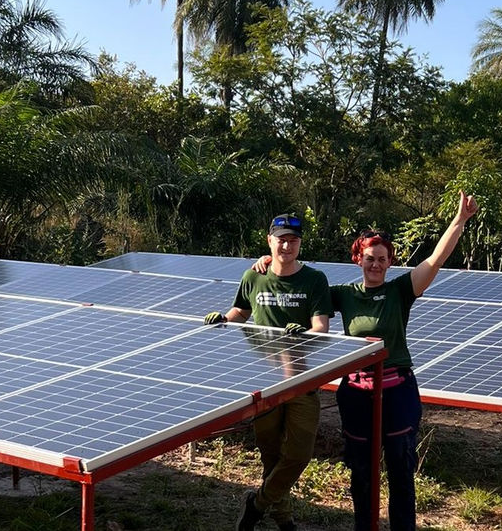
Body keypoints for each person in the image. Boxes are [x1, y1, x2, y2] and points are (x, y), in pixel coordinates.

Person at [253, 192, 479, 531]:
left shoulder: (400, 291)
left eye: (382, 260)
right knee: (361, 470)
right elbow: (297, 294)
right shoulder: (344, 293)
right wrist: (270, 261)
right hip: (356, 392)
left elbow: (435, 259)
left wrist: (459, 221)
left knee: (401, 468)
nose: (376, 265)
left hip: (397, 390)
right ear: (359, 259)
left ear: (390, 263)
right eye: (370, 258)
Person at [204, 213, 331, 531]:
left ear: (300, 243)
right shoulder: (253, 276)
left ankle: (258, 502)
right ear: (269, 240)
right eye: (281, 238)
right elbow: (241, 312)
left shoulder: (314, 280)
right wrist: (223, 319)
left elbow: (321, 326)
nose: (287, 245)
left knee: (299, 454)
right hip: (263, 377)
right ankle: (284, 518)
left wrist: (304, 333)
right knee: (270, 453)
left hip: (302, 378)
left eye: (293, 240)